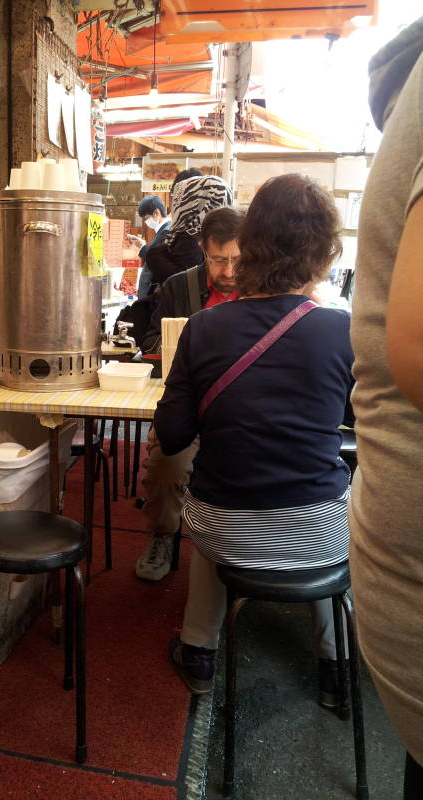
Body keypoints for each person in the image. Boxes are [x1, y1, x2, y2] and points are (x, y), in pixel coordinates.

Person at [154, 174, 353, 707]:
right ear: (323, 252)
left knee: (215, 513)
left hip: (228, 527)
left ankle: (199, 653)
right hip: (321, 531)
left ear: (250, 248)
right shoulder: (343, 331)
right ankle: (337, 668)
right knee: (323, 520)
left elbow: (171, 437)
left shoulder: (204, 328)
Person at [348, 18, 423, 798]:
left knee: (186, 481)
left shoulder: (208, 326)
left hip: (379, 555)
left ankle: (201, 642)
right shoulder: (326, 334)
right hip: (340, 538)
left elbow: (174, 429)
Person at [135, 207, 244, 581]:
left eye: (237, 260)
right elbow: (148, 343)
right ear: (202, 250)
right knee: (167, 461)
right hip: (188, 407)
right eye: (218, 261)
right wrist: (179, 344)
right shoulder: (177, 287)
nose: (229, 272)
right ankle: (163, 534)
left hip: (242, 415)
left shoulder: (262, 289)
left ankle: (242, 542)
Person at [146, 174, 232, 288]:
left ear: (190, 202)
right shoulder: (226, 235)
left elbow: (183, 285)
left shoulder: (190, 237)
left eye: (178, 198)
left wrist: (153, 255)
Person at [128, 195, 171, 299]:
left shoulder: (166, 231)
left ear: (156, 213)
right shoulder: (162, 231)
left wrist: (142, 247)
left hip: (153, 294)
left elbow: (156, 260)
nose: (146, 223)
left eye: (146, 218)